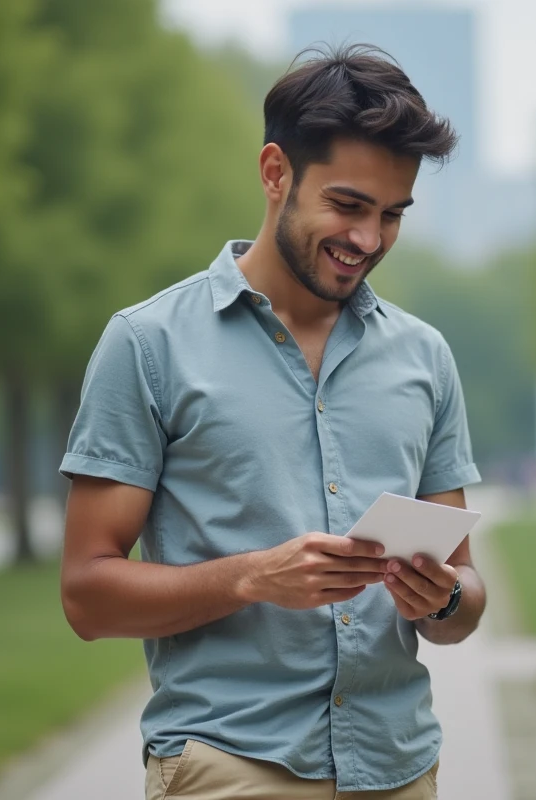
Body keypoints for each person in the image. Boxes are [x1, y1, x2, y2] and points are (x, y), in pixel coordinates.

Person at [59, 44, 484, 800]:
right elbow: (87, 596)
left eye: (392, 216)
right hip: (231, 766)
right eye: (348, 206)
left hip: (398, 767)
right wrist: (256, 577)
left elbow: (466, 599)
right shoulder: (148, 345)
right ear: (275, 173)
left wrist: (443, 598)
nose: (368, 240)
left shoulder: (426, 357)